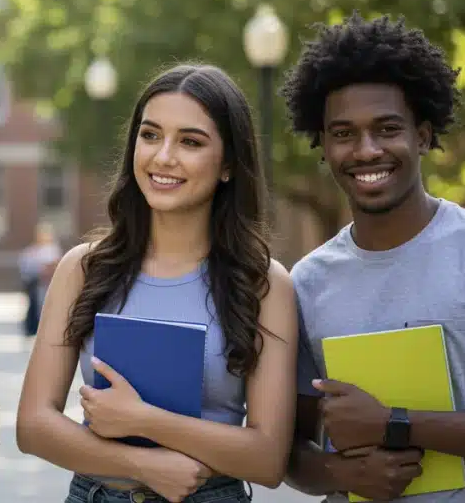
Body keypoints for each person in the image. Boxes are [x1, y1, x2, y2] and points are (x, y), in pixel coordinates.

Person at [17, 64, 299, 503]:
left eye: (190, 142)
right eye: (150, 135)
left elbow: (268, 459)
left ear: (228, 164)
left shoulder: (264, 284)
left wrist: (144, 420)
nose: (163, 157)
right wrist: (141, 464)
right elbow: (33, 426)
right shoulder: (84, 269)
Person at [280, 13, 465, 502]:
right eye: (343, 133)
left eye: (387, 128)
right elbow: (289, 450)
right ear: (323, 145)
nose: (367, 150)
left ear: (423, 135)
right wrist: (342, 475)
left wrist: (395, 423)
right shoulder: (307, 281)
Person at [19, 223, 62, 336]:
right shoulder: (32, 250)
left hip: (48, 283)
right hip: (35, 283)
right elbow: (26, 266)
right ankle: (33, 327)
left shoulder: (53, 249)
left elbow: (57, 265)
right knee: (34, 305)